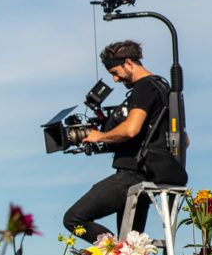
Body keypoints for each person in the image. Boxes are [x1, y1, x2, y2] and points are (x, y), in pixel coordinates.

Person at [63, 40, 187, 244]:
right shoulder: (164, 88)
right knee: (131, 241)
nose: (114, 78)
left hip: (133, 176)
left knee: (74, 219)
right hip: (153, 176)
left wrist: (99, 136)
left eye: (115, 71)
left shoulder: (144, 87)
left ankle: (122, 253)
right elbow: (185, 140)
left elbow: (131, 129)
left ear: (129, 63)